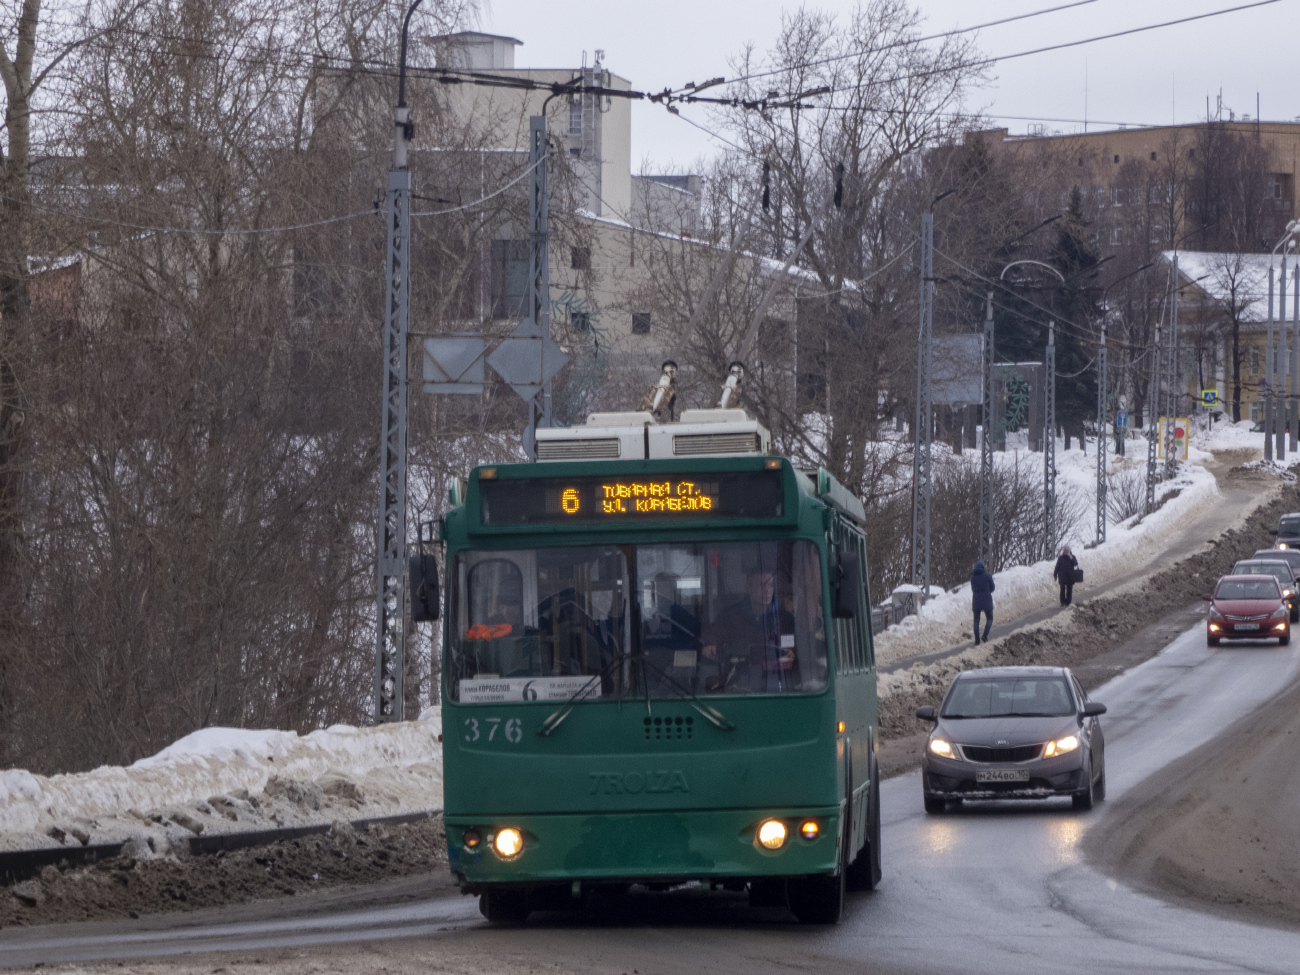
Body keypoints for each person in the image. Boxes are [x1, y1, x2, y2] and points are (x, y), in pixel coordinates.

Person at [701, 568, 796, 692]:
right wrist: (708, 646)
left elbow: (800, 650)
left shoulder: (785, 619)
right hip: (738, 684)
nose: (767, 591)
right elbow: (711, 637)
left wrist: (793, 653)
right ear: (748, 588)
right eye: (761, 585)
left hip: (776, 684)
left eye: (771, 585)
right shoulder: (730, 617)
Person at [970, 560, 995, 645]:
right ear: (984, 567)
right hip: (986, 600)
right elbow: (992, 588)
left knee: (976, 621)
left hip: (976, 601)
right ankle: (985, 635)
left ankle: (977, 641)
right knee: (990, 618)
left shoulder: (973, 577)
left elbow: (973, 589)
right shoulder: (988, 576)